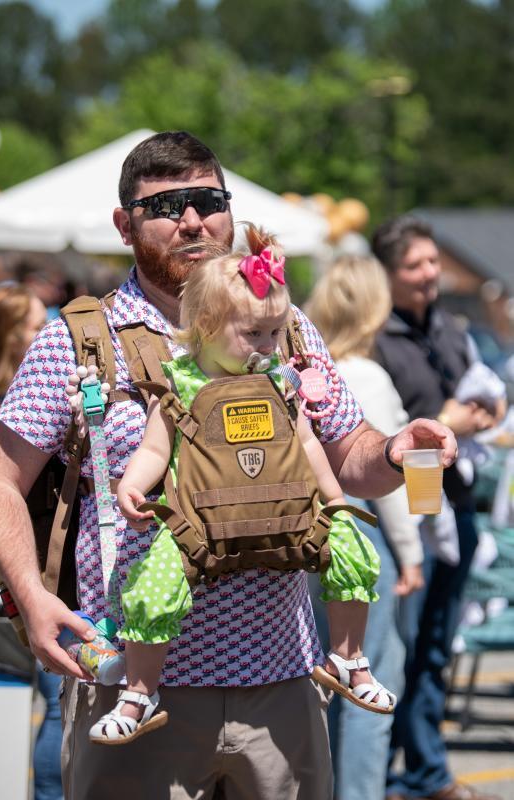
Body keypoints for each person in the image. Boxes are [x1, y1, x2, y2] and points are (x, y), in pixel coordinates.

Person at [0, 132, 456, 800]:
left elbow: (350, 454)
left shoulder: (285, 327)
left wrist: (399, 449)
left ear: (229, 212)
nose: (192, 219)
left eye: (207, 200)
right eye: (166, 206)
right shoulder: (79, 340)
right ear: (125, 225)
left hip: (281, 685)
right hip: (135, 691)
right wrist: (29, 598)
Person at [84, 228, 394, 745]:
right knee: (152, 585)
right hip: (197, 528)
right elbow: (156, 450)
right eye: (254, 334)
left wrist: (335, 503)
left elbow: (310, 444)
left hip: (286, 518)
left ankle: (347, 657)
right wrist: (131, 488)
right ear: (204, 326)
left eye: (275, 333)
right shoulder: (179, 385)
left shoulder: (281, 381)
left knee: (354, 550)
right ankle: (139, 692)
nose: (268, 345)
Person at [372, 215, 502, 800]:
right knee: (402, 652)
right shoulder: (378, 341)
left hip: (459, 506)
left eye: (432, 261)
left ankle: (420, 766)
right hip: (408, 516)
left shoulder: (450, 327)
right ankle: (404, 768)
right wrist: (448, 421)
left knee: (435, 648)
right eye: (415, 264)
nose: (429, 273)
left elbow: (482, 397)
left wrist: (485, 414)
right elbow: (383, 432)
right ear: (389, 275)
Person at [304, 254, 424, 800]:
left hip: (311, 539)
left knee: (325, 681)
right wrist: (411, 553)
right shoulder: (369, 377)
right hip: (362, 537)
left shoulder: (313, 370)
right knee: (374, 683)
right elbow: (389, 478)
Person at [0, 284, 63, 800]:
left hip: (36, 577)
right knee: (58, 699)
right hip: (8, 582)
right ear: (11, 336)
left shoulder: (45, 396)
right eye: (36, 324)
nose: (47, 333)